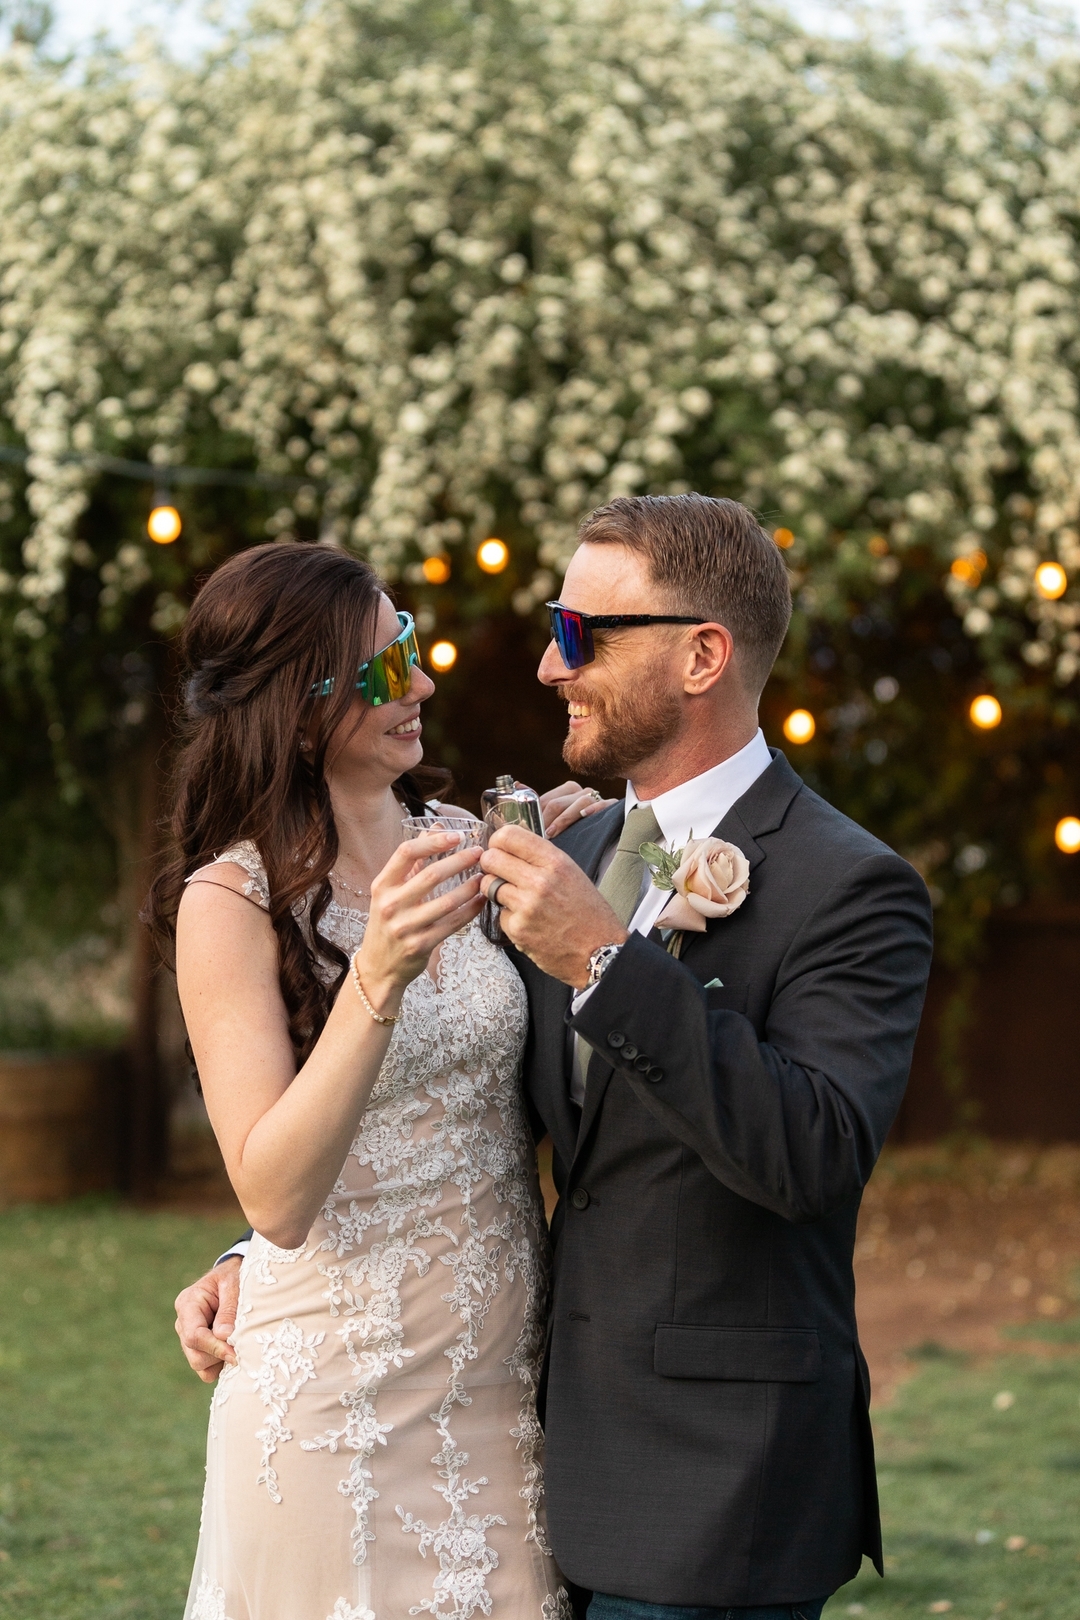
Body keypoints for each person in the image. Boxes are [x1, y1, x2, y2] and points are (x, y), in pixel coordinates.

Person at [177, 495, 934, 1620]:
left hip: (715, 1482)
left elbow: (814, 1155)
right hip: (537, 1454)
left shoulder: (850, 886)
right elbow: (454, 1093)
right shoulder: (563, 848)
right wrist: (260, 1249)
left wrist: (606, 959)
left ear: (701, 655)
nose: (543, 665)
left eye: (578, 635)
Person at [151, 541, 608, 1620]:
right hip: (332, 1416)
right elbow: (274, 1197)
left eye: (410, 644)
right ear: (298, 710)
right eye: (385, 665)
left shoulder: (466, 845)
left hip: (500, 1408)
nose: (424, 680)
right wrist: (379, 974)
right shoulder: (229, 902)